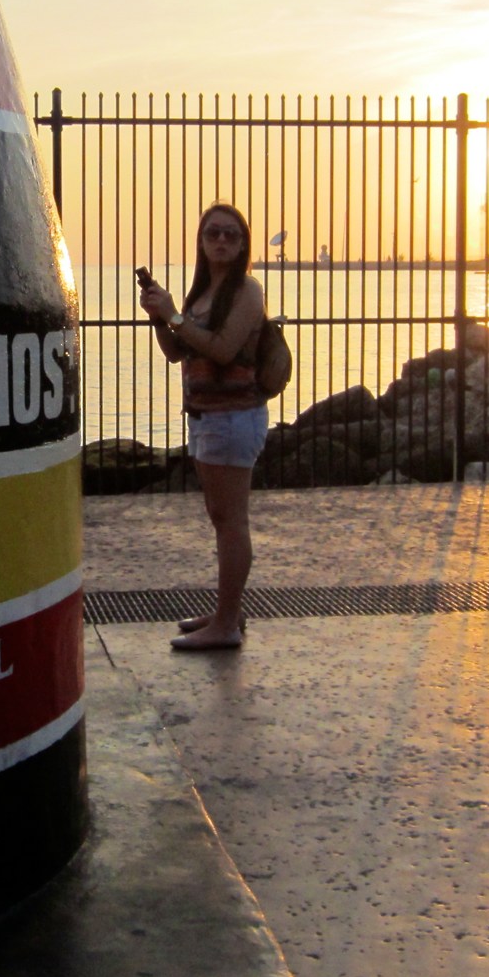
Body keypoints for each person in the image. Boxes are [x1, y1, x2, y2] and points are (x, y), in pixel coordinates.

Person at [140, 203, 269, 651]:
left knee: (232, 521)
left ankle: (227, 624)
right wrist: (162, 319)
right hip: (207, 417)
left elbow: (223, 349)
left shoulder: (248, 292)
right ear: (200, 240)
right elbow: (179, 353)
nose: (221, 241)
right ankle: (226, 611)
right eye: (213, 233)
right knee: (221, 518)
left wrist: (175, 315)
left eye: (231, 235)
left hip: (234, 418)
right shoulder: (201, 294)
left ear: (243, 245)